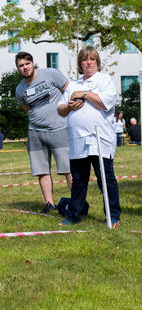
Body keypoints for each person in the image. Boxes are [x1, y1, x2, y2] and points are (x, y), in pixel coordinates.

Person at [57, 46, 121, 227]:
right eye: (85, 60)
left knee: (105, 178)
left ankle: (113, 215)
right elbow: (60, 109)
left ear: (97, 62)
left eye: (92, 59)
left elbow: (104, 103)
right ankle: (74, 214)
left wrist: (84, 94)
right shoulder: (73, 84)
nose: (89, 62)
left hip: (100, 139)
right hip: (77, 140)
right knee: (78, 180)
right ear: (80, 64)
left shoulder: (104, 80)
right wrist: (69, 106)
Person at [15, 52, 72, 213]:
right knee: (41, 170)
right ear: (18, 69)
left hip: (59, 128)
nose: (25, 67)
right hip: (35, 132)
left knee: (68, 168)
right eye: (21, 65)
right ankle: (49, 204)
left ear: (33, 63)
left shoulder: (51, 74)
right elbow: (27, 109)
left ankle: (77, 202)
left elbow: (68, 91)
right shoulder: (20, 89)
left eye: (27, 64)